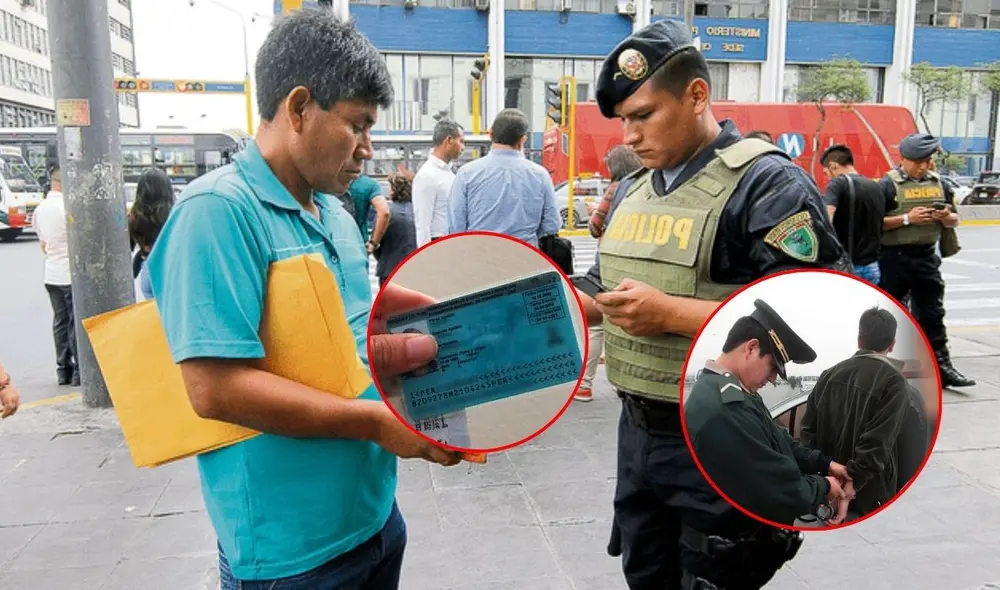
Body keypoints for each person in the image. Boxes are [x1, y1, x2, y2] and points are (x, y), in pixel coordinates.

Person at [146, 11, 462, 589]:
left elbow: (342, 345)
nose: (368, 148)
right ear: (298, 108)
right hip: (289, 553)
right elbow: (213, 387)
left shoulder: (335, 215)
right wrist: (373, 423)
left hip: (372, 516)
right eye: (358, 125)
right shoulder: (219, 212)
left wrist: (398, 324)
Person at [579, 20, 851, 590]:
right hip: (639, 433)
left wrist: (670, 314)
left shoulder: (766, 184)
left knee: (716, 572)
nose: (628, 136)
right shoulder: (634, 188)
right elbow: (596, 289)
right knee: (646, 570)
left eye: (643, 115)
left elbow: (822, 310)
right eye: (622, 120)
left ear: (697, 95)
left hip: (717, 435)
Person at [684, 299, 854, 528]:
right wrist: (823, 486)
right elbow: (777, 489)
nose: (774, 378)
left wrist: (824, 464)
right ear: (751, 348)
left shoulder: (735, 392)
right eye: (773, 366)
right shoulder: (727, 409)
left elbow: (777, 439)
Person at [878, 132, 975, 389]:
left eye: (927, 160)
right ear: (904, 159)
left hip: (926, 257)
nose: (923, 166)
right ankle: (884, 372)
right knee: (891, 316)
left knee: (932, 314)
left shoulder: (940, 183)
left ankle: (942, 368)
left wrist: (945, 217)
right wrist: (907, 219)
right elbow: (873, 224)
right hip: (894, 259)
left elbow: (954, 219)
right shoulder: (886, 185)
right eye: (918, 161)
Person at [799, 306, 911, 521]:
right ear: (892, 344)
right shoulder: (894, 382)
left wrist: (822, 481)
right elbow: (877, 444)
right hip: (870, 496)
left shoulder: (828, 375)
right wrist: (852, 482)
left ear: (859, 340)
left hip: (827, 492)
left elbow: (807, 434)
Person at [577, 145, 644, 403]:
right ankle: (626, 383)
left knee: (598, 325)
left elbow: (595, 227)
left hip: (607, 264)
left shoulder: (616, 189)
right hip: (636, 265)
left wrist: (597, 213)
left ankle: (584, 385)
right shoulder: (648, 187)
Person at [447, 108, 562, 248]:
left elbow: (456, 225)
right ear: (522, 140)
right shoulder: (540, 175)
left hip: (479, 258)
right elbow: (552, 225)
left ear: (490, 134)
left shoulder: (466, 174)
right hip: (526, 259)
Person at [31, 165, 78, 387]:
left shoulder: (40, 209)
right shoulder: (66, 209)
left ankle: (63, 370)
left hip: (51, 274)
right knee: (73, 323)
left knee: (59, 321)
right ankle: (79, 370)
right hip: (69, 273)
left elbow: (43, 244)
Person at [820, 144, 886, 285]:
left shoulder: (838, 183)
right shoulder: (876, 186)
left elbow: (827, 218)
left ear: (833, 166)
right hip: (872, 267)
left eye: (826, 173)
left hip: (846, 267)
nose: (827, 178)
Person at [412, 119, 464, 246]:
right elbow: (422, 224)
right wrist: (426, 258)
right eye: (461, 141)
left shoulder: (448, 172)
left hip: (451, 242)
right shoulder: (427, 175)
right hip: (438, 243)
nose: (463, 147)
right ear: (449, 140)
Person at [128, 168, 175, 300]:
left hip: (148, 270)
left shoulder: (134, 216)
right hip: (172, 269)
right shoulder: (175, 214)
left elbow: (129, 247)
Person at [588, 145, 644, 240]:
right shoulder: (645, 183)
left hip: (616, 245)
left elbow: (595, 228)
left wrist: (594, 211)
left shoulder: (615, 188)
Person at [375, 171, 418, 288]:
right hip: (414, 270)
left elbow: (376, 242)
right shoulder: (419, 212)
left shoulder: (386, 213)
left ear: (393, 189)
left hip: (389, 268)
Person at [347, 174, 391, 254]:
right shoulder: (368, 184)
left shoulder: (325, 181)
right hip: (359, 245)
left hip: (328, 244)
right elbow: (384, 212)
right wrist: (373, 243)